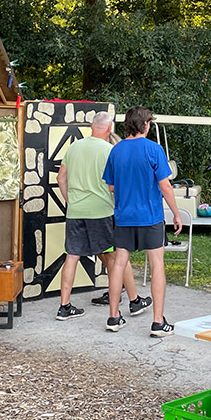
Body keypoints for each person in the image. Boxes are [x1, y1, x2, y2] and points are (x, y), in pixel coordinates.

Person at [102, 106, 183, 336]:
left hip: (124, 216)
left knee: (118, 264)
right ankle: (158, 322)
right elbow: (165, 185)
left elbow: (111, 186)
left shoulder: (116, 151)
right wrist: (176, 213)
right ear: (145, 124)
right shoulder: (154, 149)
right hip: (150, 216)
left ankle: (114, 317)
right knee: (157, 265)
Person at [57, 111, 145, 320]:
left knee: (72, 256)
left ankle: (64, 307)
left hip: (76, 211)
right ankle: (134, 301)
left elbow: (61, 178)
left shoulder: (73, 147)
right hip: (103, 211)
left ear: (91, 126)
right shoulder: (111, 151)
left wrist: (71, 201)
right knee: (117, 257)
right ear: (109, 129)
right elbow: (118, 184)